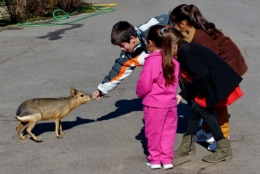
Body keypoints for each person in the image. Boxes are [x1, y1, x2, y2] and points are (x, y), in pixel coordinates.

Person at [169, 4, 248, 151]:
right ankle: (206, 131)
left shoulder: (200, 37)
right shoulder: (190, 33)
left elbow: (208, 64)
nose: (174, 28)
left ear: (182, 23)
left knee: (218, 99)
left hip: (228, 64)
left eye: (174, 24)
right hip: (218, 65)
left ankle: (224, 137)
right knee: (207, 98)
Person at [136, 25, 179, 170]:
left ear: (150, 43)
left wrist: (140, 94)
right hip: (170, 103)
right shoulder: (174, 61)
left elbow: (144, 85)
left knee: (154, 132)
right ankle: (167, 159)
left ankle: (154, 159)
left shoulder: (151, 61)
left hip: (154, 104)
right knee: (168, 132)